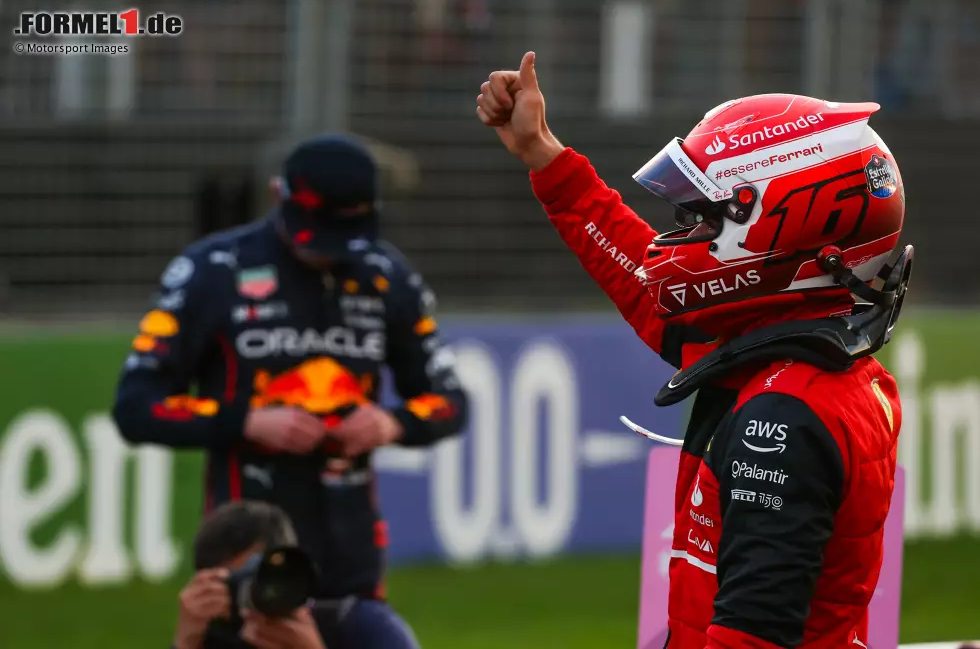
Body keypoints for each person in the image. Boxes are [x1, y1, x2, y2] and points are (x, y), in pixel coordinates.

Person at [477, 52, 912, 648]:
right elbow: (646, 285)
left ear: (787, 226)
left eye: (706, 218)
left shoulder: (784, 414)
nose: (681, 237)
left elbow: (752, 636)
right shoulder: (808, 356)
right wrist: (542, 153)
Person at [114, 134, 469, 649]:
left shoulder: (385, 276)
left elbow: (449, 399)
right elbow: (136, 405)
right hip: (244, 565)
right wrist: (248, 421)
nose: (326, 252)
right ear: (278, 195)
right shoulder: (211, 272)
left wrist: (391, 423)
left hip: (353, 569)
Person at [173, 500, 328, 649]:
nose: (251, 599)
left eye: (261, 580)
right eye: (235, 586)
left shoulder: (335, 628)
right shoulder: (210, 635)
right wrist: (185, 643)